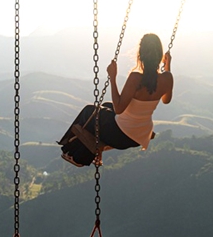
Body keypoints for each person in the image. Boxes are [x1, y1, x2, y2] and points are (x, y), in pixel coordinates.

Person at [58, 33, 173, 167]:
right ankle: (91, 150)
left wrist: (113, 78)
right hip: (140, 135)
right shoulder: (168, 78)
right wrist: (168, 65)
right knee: (107, 105)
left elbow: (119, 109)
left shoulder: (136, 78)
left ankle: (77, 156)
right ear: (159, 55)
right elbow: (166, 100)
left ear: (140, 55)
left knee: (90, 112)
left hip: (120, 135)